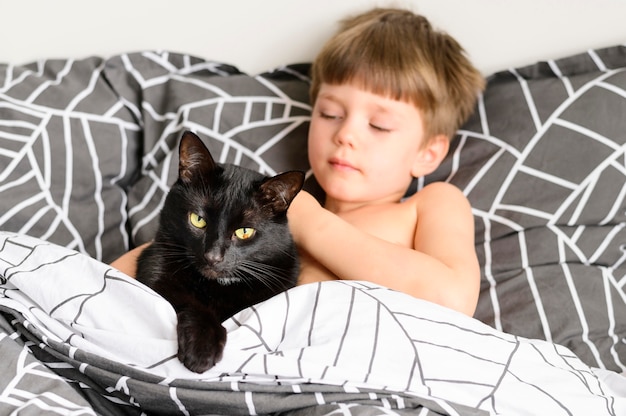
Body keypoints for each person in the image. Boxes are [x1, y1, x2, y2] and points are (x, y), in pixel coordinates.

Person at [111, 7, 485, 316]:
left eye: (378, 124)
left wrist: (312, 222)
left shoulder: (429, 205)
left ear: (428, 152)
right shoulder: (260, 221)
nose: (346, 135)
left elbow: (451, 301)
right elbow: (118, 279)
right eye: (330, 114)